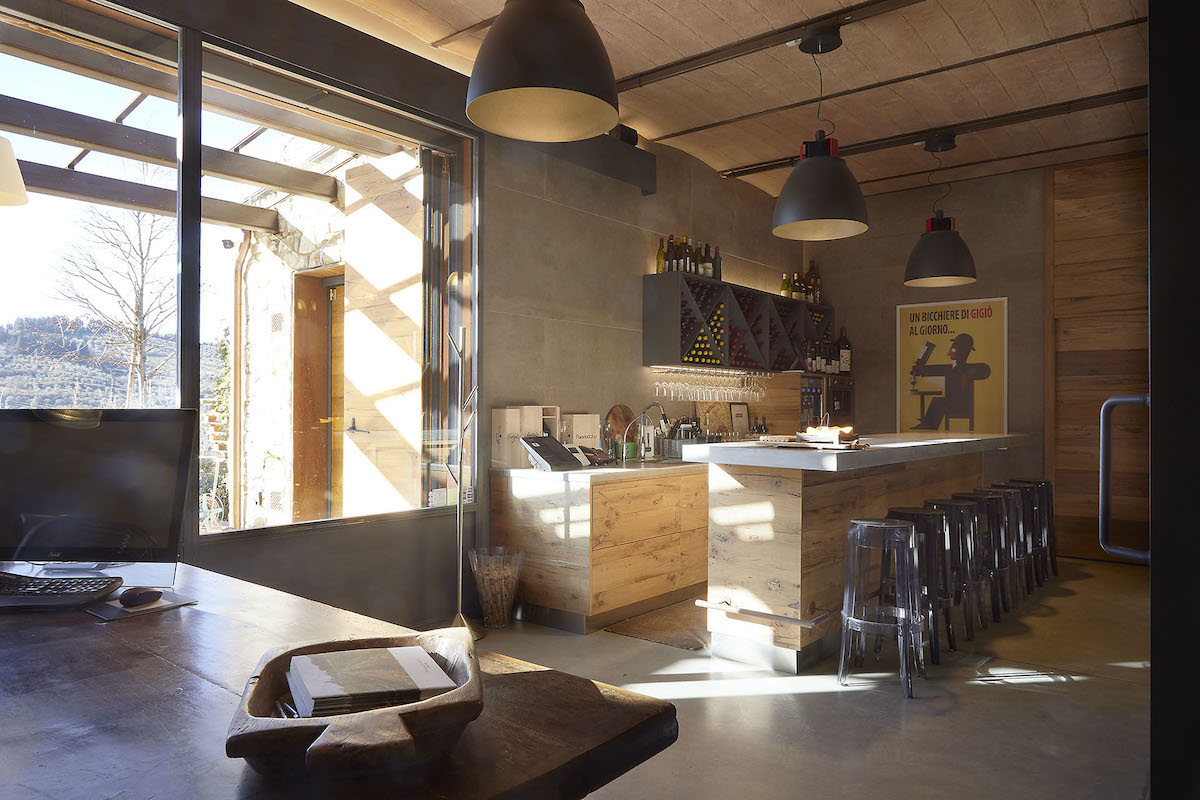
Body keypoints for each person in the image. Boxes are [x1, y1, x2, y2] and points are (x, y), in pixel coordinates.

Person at [910, 333, 991, 430]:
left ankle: (927, 427)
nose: (951, 349)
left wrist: (970, 373)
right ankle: (926, 426)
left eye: (955, 347)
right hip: (951, 402)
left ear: (963, 351)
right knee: (938, 401)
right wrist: (922, 371)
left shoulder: (967, 369)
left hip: (960, 405)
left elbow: (986, 370)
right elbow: (941, 370)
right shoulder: (953, 368)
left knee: (939, 402)